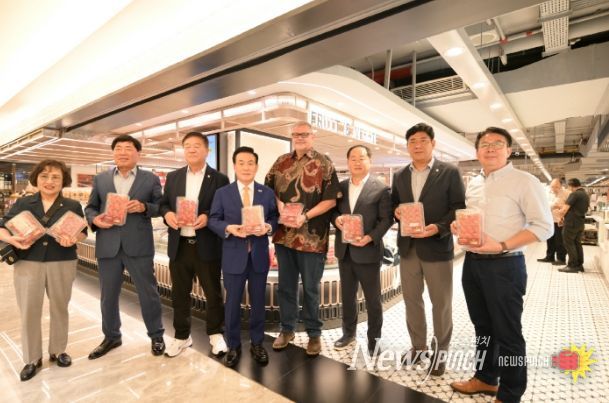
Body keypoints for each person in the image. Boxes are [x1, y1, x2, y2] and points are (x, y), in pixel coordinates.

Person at [450, 127, 553, 402]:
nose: (491, 148)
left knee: (508, 332)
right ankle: (485, 378)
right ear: (477, 152)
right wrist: (459, 226)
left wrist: (503, 245)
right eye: (485, 144)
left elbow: (544, 227)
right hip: (473, 264)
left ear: (509, 151)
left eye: (498, 143)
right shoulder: (474, 182)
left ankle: (511, 392)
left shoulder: (525, 181)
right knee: (482, 327)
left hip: (506, 266)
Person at [0, 160, 87, 381]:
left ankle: (58, 350)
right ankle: (32, 358)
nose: (50, 181)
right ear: (36, 179)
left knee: (60, 307)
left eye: (56, 177)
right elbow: (3, 227)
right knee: (29, 310)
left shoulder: (72, 205)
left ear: (63, 181)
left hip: (62, 261)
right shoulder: (24, 203)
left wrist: (73, 239)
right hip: (28, 262)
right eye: (44, 176)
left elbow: (82, 231)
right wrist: (12, 239)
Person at [391, 122, 465, 376]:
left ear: (433, 144)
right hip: (408, 248)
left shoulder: (449, 172)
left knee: (440, 303)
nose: (418, 145)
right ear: (407, 146)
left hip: (436, 247)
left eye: (423, 140)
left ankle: (440, 353)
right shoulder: (400, 175)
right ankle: (418, 347)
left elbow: (458, 207)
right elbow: (393, 205)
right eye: (412, 141)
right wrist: (396, 211)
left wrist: (437, 228)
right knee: (412, 301)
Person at [85, 134, 165, 359]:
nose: (122, 152)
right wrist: (95, 219)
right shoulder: (101, 179)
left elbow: (161, 206)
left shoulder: (150, 179)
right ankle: (111, 336)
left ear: (138, 153)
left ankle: (156, 335)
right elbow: (90, 208)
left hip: (138, 245)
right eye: (118, 148)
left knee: (148, 293)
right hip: (108, 244)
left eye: (128, 148)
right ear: (113, 153)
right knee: (108, 295)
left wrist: (144, 207)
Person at [265, 121, 341, 356]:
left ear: (312, 136)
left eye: (304, 134)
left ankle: (314, 333)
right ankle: (287, 329)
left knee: (310, 289)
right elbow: (268, 190)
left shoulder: (324, 163)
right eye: (296, 134)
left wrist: (305, 216)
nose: (299, 137)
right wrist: (279, 205)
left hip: (312, 239)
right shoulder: (280, 162)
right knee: (286, 287)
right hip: (284, 237)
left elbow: (331, 200)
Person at [159, 132, 229, 357]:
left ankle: (216, 334)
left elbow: (224, 210)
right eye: (187, 145)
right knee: (179, 294)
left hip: (207, 245)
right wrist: (167, 214)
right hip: (179, 245)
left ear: (207, 150)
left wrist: (208, 217)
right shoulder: (173, 177)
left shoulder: (219, 179)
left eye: (197, 145)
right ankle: (182, 336)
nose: (191, 149)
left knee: (213, 294)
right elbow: (163, 204)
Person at [209, 146, 279, 367]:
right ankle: (233, 345)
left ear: (256, 167)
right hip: (233, 255)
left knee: (258, 302)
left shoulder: (266, 192)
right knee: (232, 303)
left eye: (250, 163)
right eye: (241, 163)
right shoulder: (223, 193)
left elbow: (275, 217)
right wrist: (229, 228)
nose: (246, 167)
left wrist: (268, 227)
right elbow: (213, 219)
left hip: (258, 255)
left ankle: (257, 343)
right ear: (234, 166)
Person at [331, 145, 392, 354]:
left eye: (362, 158)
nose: (357, 162)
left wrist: (370, 237)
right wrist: (336, 219)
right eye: (353, 158)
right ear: (348, 162)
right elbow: (333, 212)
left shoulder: (381, 188)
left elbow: (386, 219)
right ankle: (348, 333)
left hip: (368, 252)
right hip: (345, 251)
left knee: (373, 300)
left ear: (369, 161)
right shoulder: (340, 187)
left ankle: (374, 340)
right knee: (347, 297)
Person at [556, 178, 590, 273]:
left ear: (571, 186)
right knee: (577, 243)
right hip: (580, 222)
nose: (568, 188)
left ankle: (572, 265)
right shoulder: (585, 194)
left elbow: (564, 209)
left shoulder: (574, 194)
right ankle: (579, 265)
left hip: (571, 223)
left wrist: (560, 215)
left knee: (569, 243)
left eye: (568, 186)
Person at [537, 178, 570, 265]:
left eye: (556, 187)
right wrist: (553, 206)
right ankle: (549, 257)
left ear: (561, 186)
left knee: (560, 241)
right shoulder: (547, 193)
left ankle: (561, 259)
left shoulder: (567, 193)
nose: (554, 189)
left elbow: (569, 206)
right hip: (549, 220)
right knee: (550, 239)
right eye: (552, 187)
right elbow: (543, 205)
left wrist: (560, 207)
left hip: (560, 221)